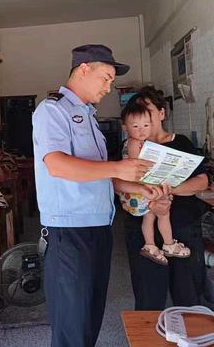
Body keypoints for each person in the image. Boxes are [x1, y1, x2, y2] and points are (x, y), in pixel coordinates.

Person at [32, 44, 155, 347]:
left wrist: (139, 187)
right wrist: (119, 167)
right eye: (106, 78)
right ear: (84, 69)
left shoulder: (88, 115)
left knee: (89, 319)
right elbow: (57, 165)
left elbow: (98, 176)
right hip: (69, 232)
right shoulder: (53, 110)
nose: (109, 87)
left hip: (98, 228)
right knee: (72, 326)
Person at [114, 86, 209, 310]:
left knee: (188, 295)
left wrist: (167, 191)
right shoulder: (131, 147)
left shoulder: (181, 143)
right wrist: (147, 193)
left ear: (161, 113)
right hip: (142, 231)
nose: (143, 118)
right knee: (148, 297)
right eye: (137, 113)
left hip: (182, 229)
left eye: (147, 111)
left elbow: (202, 182)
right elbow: (117, 183)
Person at [119, 101, 191, 265]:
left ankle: (151, 245)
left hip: (139, 192)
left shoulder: (143, 143)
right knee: (163, 213)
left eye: (146, 125)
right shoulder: (133, 142)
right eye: (136, 126)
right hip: (138, 192)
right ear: (125, 128)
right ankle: (168, 244)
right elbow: (137, 165)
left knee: (150, 216)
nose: (142, 130)